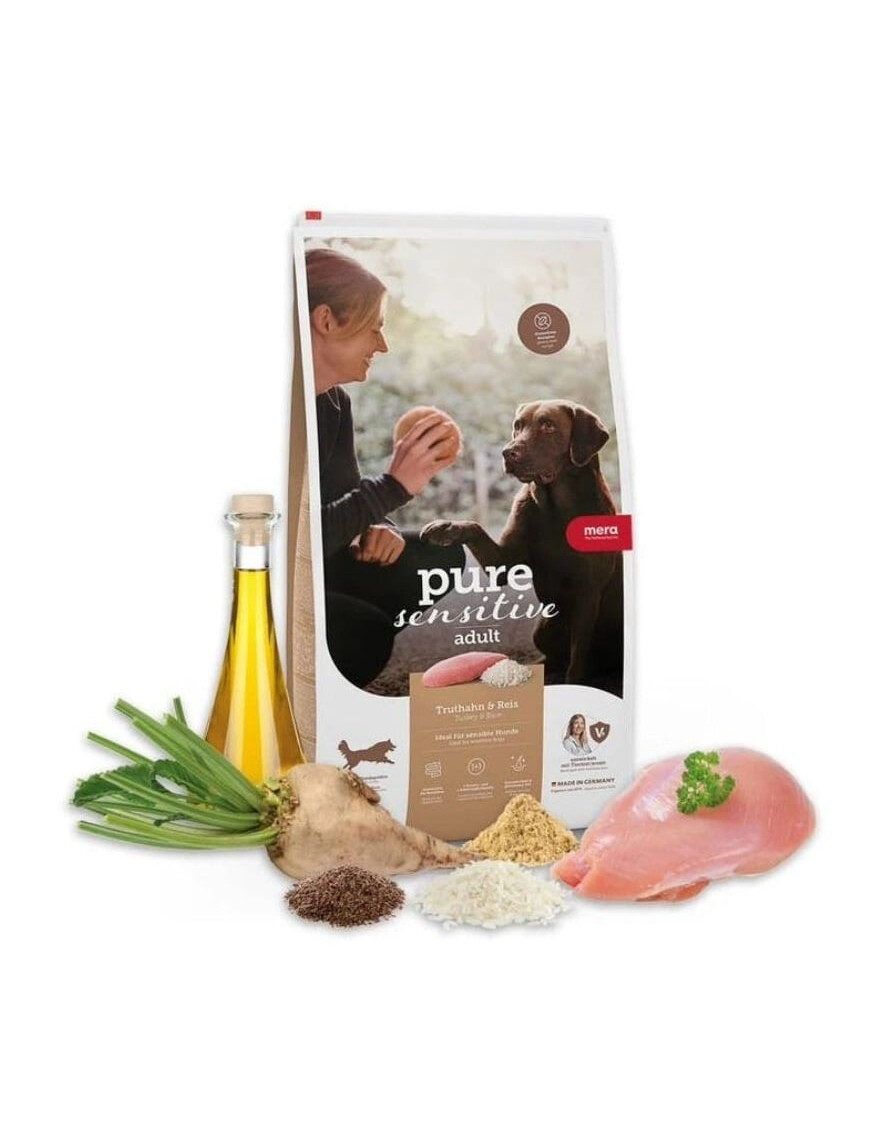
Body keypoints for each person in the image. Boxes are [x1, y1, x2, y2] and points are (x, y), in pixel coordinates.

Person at [307, 246, 465, 688]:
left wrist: (376, 529)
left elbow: (344, 501)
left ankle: (336, 639)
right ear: (326, 321)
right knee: (366, 634)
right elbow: (293, 543)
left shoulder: (334, 404)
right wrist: (393, 486)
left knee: (441, 553)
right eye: (374, 328)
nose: (383, 345)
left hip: (324, 571)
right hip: (279, 587)